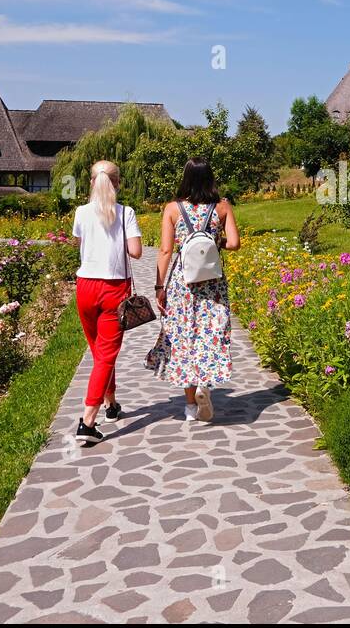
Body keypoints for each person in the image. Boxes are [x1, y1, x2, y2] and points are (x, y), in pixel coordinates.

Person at [152, 157, 240, 422]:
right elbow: (235, 243)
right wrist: (214, 242)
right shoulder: (222, 207)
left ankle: (190, 406)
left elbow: (166, 250)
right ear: (210, 178)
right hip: (212, 283)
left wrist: (159, 286)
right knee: (212, 334)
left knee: (184, 337)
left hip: (183, 283)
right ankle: (206, 384)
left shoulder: (172, 209)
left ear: (186, 178)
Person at [72, 160, 143, 446]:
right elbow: (136, 252)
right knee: (105, 355)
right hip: (114, 288)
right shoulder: (126, 213)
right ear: (118, 183)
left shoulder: (80, 212)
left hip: (85, 286)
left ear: (92, 182)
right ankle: (88, 421)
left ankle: (111, 404)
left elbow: (78, 244)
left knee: (99, 352)